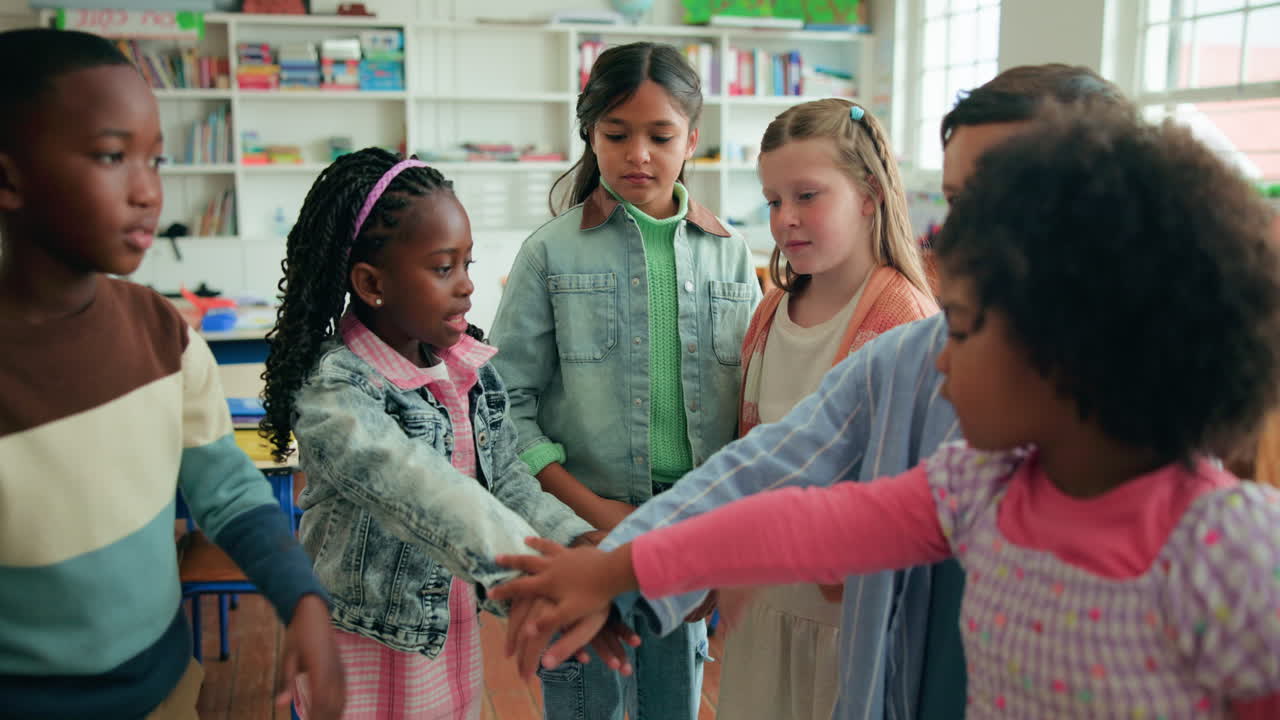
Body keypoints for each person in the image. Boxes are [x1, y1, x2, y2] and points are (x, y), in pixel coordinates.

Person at [495, 104, 1280, 720]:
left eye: (964, 329)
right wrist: (612, 568)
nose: (939, 357)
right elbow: (792, 520)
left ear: (1067, 347)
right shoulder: (977, 487)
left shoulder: (1231, 550)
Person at [0, 29, 344, 719]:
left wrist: (300, 595)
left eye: (154, 160)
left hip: (163, 684)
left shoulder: (163, 333)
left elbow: (227, 490)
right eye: (110, 156)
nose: (147, 191)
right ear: (9, 177)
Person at [258, 148, 603, 718]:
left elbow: (507, 483)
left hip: (443, 636)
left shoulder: (469, 369)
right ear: (372, 283)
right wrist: (538, 574)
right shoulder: (336, 391)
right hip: (363, 647)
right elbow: (419, 490)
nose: (467, 286)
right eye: (444, 268)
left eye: (468, 264)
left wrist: (575, 541)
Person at [488, 41, 760, 719]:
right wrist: (596, 518)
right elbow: (503, 407)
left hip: (688, 536)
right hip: (580, 531)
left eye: (660, 135)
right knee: (587, 702)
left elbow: (750, 410)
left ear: (692, 138)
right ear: (590, 134)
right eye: (617, 134)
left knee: (674, 705)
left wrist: (713, 538)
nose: (638, 154)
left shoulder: (731, 256)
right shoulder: (549, 253)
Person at [721, 98, 936, 720]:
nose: (785, 219)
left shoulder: (907, 323)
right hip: (764, 605)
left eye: (807, 196)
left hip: (850, 626)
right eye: (773, 201)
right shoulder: (769, 311)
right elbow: (751, 453)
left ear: (869, 194)